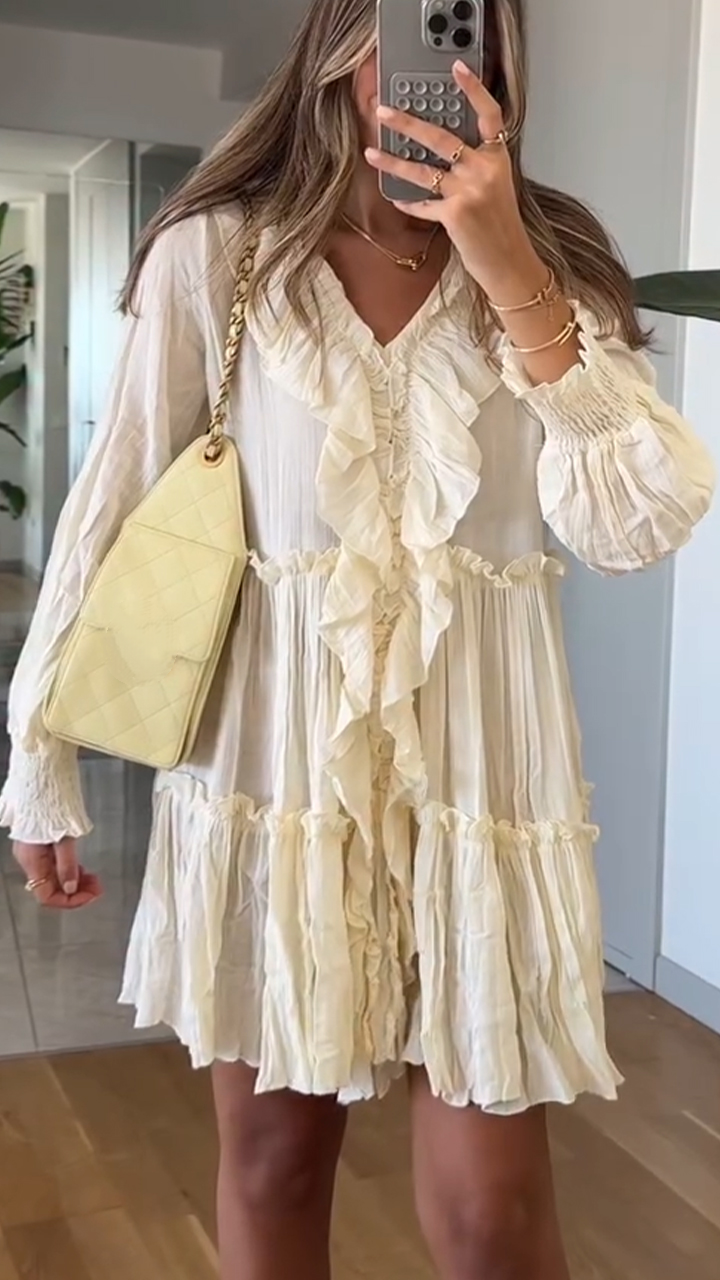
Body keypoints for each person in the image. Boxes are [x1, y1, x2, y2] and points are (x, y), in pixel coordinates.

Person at [1, 1, 714, 1277]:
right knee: (276, 1164)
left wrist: (508, 264)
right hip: (277, 768)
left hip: (482, 786)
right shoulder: (221, 251)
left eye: (471, 20)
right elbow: (112, 502)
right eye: (412, 16)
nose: (444, 50)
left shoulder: (553, 257)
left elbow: (637, 521)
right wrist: (40, 751)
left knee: (493, 1216)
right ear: (343, 34)